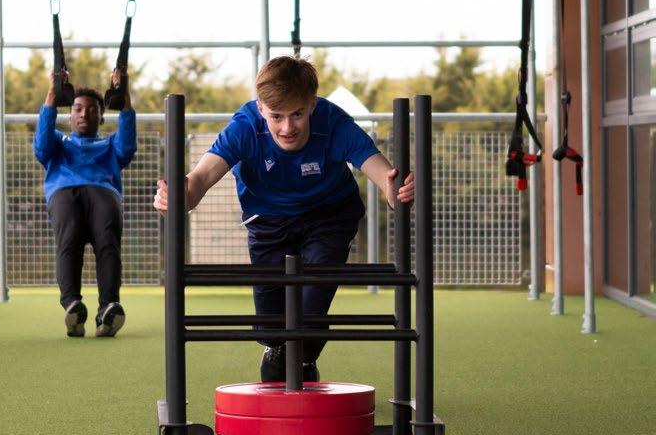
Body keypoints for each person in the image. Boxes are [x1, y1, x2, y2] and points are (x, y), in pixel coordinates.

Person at [152, 55, 414, 382]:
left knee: (311, 305)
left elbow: (383, 176)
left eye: (297, 114)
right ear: (261, 108)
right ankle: (280, 350)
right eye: (276, 116)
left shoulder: (334, 124)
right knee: (271, 324)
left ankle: (303, 359)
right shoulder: (245, 128)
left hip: (329, 216)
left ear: (313, 105)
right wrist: (176, 197)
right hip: (267, 220)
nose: (287, 128)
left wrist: (396, 191)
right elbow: (200, 179)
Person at [34, 67, 136, 338]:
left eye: (92, 110)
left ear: (101, 117)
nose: (84, 114)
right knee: (69, 241)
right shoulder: (59, 142)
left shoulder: (110, 145)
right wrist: (52, 93)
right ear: (69, 115)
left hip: (102, 192)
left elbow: (127, 147)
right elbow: (41, 148)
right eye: (78, 109)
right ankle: (73, 306)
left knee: (107, 244)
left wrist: (124, 97)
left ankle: (108, 308)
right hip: (65, 192)